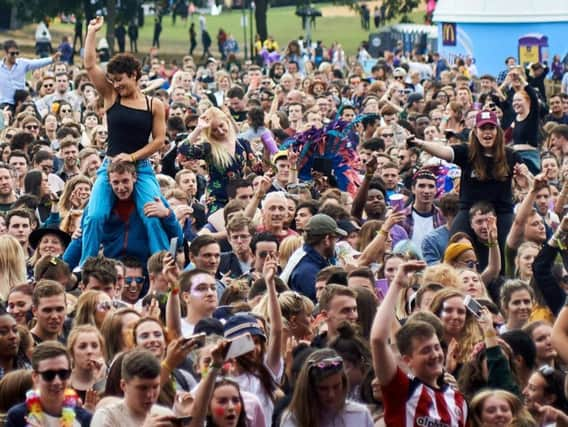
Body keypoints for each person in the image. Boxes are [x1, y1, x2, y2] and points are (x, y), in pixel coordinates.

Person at [81, 15, 169, 267]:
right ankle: (86, 266)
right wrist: (92, 32)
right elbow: (89, 65)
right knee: (95, 216)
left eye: (120, 79)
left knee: (151, 216)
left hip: (140, 169)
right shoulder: (110, 96)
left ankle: (162, 264)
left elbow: (159, 141)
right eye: (113, 80)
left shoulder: (155, 105)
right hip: (110, 167)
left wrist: (131, 157)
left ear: (135, 75)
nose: (116, 84)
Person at [370, 259, 468, 426]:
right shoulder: (401, 389)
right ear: (408, 360)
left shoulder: (459, 401)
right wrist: (397, 285)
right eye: (425, 350)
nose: (435, 355)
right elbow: (378, 340)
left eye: (437, 348)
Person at [414, 110, 521, 254]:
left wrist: (524, 178)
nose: (487, 132)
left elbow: (526, 180)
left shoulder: (511, 155)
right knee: (456, 245)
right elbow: (444, 152)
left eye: (491, 128)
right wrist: (420, 143)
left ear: (498, 131)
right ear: (475, 132)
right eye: (483, 128)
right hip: (469, 210)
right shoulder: (467, 151)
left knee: (511, 246)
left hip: (501, 212)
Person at [178, 107, 254, 213]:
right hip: (217, 199)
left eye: (221, 125)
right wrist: (199, 128)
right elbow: (183, 149)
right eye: (214, 130)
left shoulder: (242, 143)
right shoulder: (209, 147)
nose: (220, 131)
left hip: (240, 198)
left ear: (227, 121)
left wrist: (267, 151)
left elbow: (257, 167)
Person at [5, 341, 92, 426]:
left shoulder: (85, 419)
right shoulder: (18, 417)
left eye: (63, 373)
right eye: (49, 375)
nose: (57, 381)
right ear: (35, 377)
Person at [280, 349, 373, 427]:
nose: (331, 394)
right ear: (310, 388)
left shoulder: (360, 415)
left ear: (344, 383)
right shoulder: (293, 419)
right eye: (323, 389)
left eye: (336, 386)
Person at [90, 349, 176, 425]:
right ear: (123, 385)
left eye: (155, 387)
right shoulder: (106, 417)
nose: (150, 395)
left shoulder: (165, 416)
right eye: (143, 388)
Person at [283, 214, 347, 302]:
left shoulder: (308, 257)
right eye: (335, 239)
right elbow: (321, 306)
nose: (336, 244)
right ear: (327, 240)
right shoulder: (308, 272)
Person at [0, 40, 59, 111]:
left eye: (17, 53)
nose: (15, 55)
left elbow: (37, 63)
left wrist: (51, 59)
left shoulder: (22, 63)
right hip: (6, 103)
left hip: (22, 101)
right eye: (12, 53)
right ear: (5, 53)